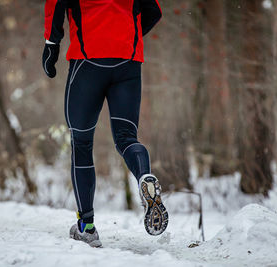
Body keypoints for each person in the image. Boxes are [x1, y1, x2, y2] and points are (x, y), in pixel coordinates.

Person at [43, 0, 168, 247]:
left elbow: (56, 4)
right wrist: (125, 35)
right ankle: (145, 177)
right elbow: (154, 11)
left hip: (87, 61)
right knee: (127, 138)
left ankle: (86, 227)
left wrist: (51, 45)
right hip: (127, 60)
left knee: (81, 142)